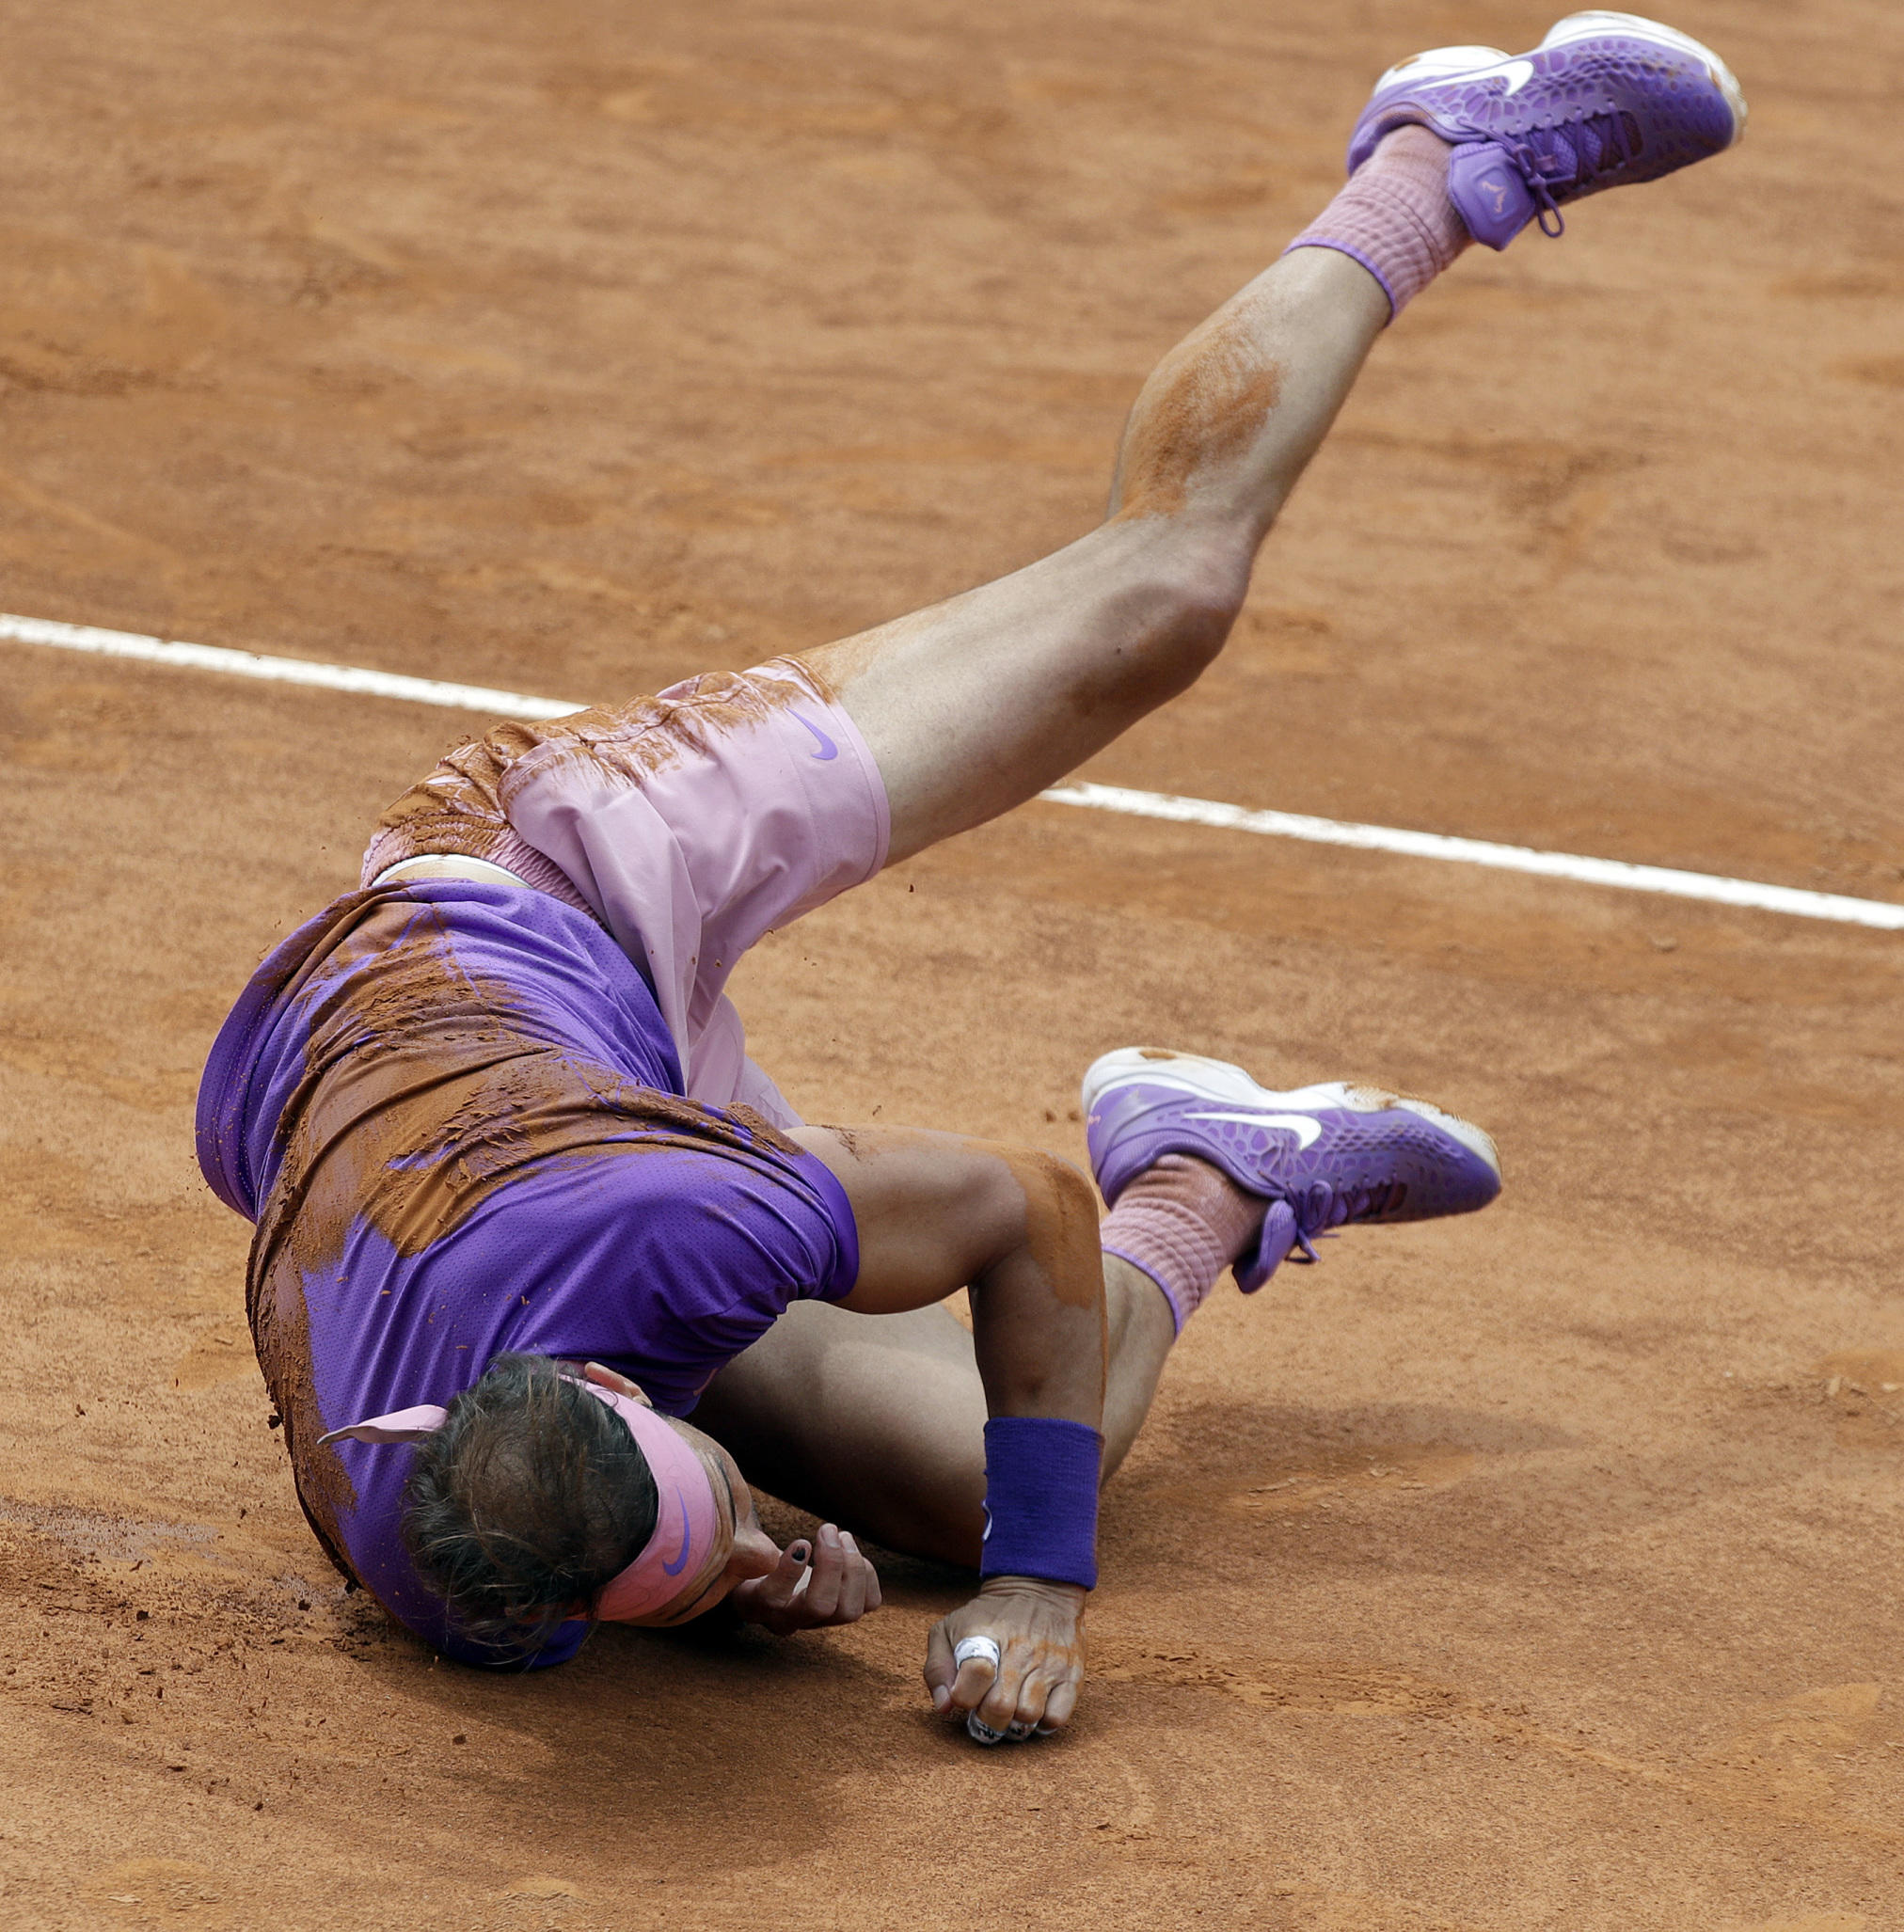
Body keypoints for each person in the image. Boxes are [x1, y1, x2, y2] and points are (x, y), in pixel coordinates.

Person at [194, 12, 1744, 1742]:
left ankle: (1443, 162)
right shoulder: (422, 1543)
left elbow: (1016, 1208)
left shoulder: (689, 1232)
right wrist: (747, 1570)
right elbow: (639, 1537)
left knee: (1161, 597)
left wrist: (1037, 1589)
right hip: (512, 1119)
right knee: (961, 1480)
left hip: (529, 878)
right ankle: (1205, 1168)